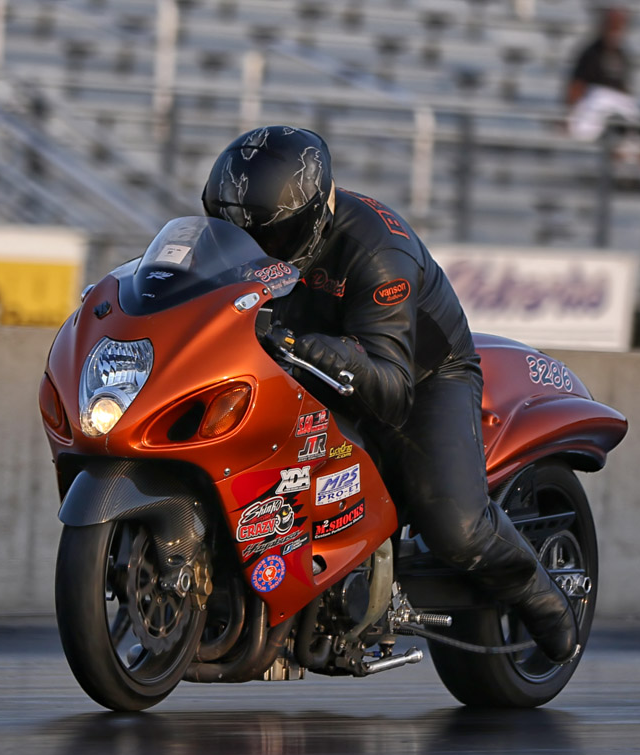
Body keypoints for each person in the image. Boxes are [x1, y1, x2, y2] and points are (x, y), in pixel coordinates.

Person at [201, 125, 578, 663]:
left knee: (456, 525)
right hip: (300, 356)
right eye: (237, 231)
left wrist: (323, 351)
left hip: (421, 376)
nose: (257, 248)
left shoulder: (378, 254)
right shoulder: (248, 238)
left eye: (272, 237)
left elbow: (391, 389)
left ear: (313, 215)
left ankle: (547, 603)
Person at [565, 7, 640, 142]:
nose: (616, 30)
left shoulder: (623, 55)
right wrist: (570, 114)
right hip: (595, 101)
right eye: (612, 25)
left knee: (631, 117)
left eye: (619, 25)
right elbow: (577, 85)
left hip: (617, 105)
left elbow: (624, 87)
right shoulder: (591, 53)